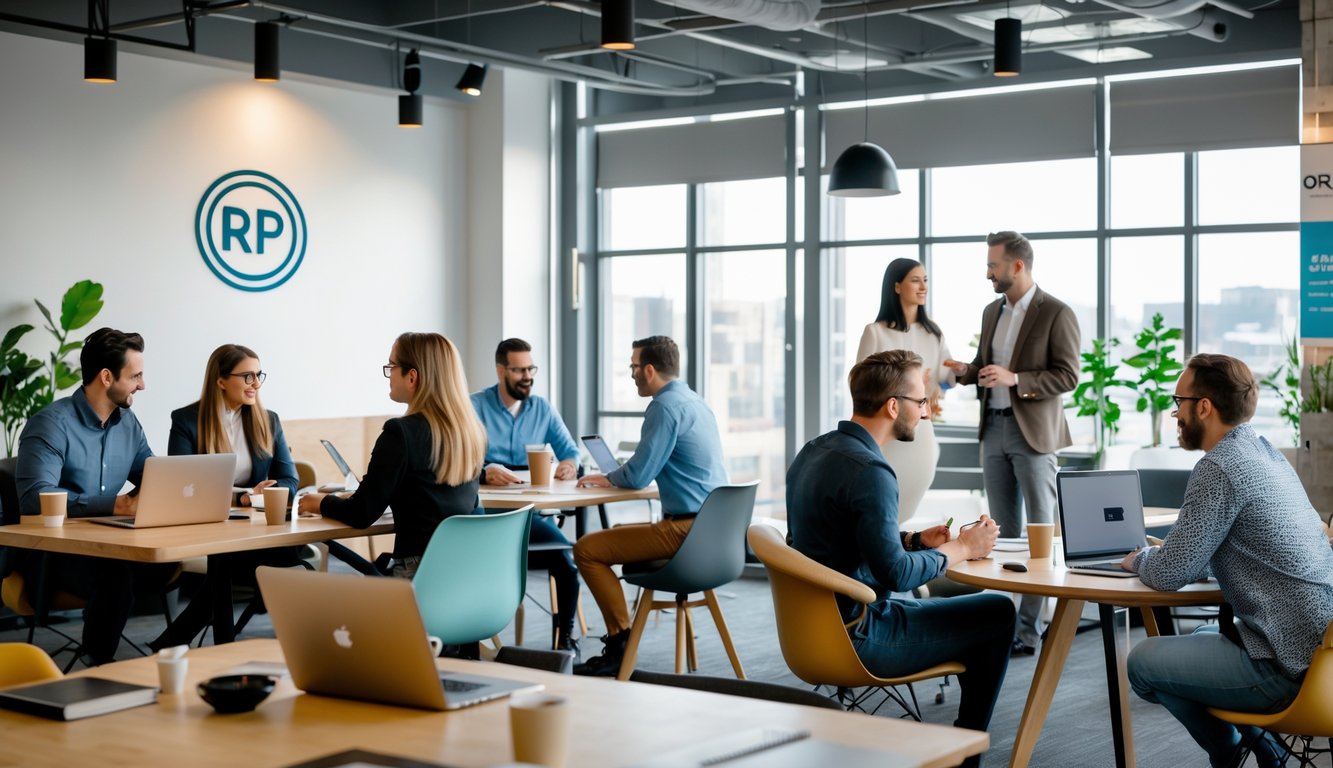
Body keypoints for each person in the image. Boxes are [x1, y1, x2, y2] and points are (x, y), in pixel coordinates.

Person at [787, 349, 1013, 766]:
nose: (926, 413)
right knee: (997, 613)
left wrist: (912, 539)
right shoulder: (872, 471)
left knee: (965, 611)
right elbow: (896, 575)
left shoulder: (813, 452)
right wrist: (963, 548)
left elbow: (835, 538)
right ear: (894, 406)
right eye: (920, 401)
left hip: (809, 632)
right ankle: (963, 757)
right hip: (860, 636)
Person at [1123, 353, 1333, 768]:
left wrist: (1139, 559)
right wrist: (1180, 554)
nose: (1174, 412)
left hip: (1285, 667)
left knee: (1142, 663)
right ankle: (1265, 753)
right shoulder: (1267, 455)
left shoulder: (1219, 466)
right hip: (1322, 656)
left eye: (1178, 401)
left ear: (1204, 406)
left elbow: (1170, 573)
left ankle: (1228, 752)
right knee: (1202, 634)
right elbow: (1221, 551)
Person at [945, 231, 1079, 656]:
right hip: (994, 428)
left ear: (1017, 266)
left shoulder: (1056, 312)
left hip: (1034, 434)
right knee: (998, 534)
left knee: (1039, 536)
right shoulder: (991, 312)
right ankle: (999, 626)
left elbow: (1068, 376)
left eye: (993, 266)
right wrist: (967, 370)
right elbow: (987, 367)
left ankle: (1028, 632)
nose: (988, 273)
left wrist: (1016, 378)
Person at [14, 328, 175, 665]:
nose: (142, 385)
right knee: (115, 579)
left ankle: (171, 654)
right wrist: (116, 505)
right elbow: (35, 498)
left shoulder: (128, 424)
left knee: (172, 561)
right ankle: (98, 673)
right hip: (53, 554)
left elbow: (155, 478)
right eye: (136, 376)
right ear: (106, 377)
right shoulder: (50, 425)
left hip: (111, 548)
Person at [571, 335, 728, 676]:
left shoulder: (663, 406)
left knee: (586, 549)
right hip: (715, 533)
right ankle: (621, 639)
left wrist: (610, 476)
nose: (631, 374)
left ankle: (620, 643)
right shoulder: (695, 401)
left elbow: (639, 475)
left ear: (650, 369)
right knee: (616, 536)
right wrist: (616, 474)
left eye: (633, 366)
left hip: (685, 534)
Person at [148, 344, 301, 650]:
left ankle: (173, 643)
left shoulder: (267, 420)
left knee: (273, 560)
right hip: (207, 527)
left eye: (259, 375)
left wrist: (256, 498)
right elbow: (181, 484)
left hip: (253, 530)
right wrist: (244, 498)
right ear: (220, 381)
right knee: (238, 564)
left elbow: (290, 480)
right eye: (247, 376)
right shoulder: (186, 420)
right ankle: (190, 644)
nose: (256, 383)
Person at [298, 332, 486, 580]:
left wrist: (318, 502)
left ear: (412, 376)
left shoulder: (400, 432)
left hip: (420, 577)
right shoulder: (470, 432)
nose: (388, 375)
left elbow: (361, 513)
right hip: (470, 576)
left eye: (391, 366)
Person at [471, 337, 582, 656]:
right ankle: (469, 636)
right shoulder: (474, 406)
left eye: (530, 368)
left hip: (528, 516)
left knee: (566, 560)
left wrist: (569, 464)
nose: (527, 376)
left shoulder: (542, 408)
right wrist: (483, 471)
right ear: (500, 371)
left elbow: (570, 450)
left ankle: (565, 640)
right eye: (519, 370)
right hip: (484, 519)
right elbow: (458, 458)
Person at [856, 257, 956, 522]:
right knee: (880, 502)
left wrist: (961, 372)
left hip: (920, 434)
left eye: (925, 280)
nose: (923, 286)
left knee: (907, 509)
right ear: (897, 286)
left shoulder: (934, 334)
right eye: (915, 280)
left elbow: (946, 377)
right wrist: (910, 383)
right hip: (884, 436)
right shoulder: (875, 333)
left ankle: (898, 551)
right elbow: (861, 385)